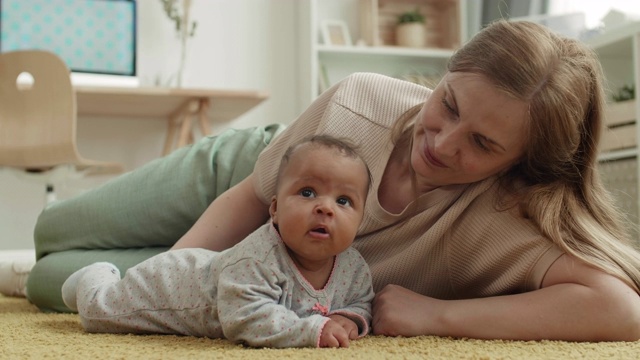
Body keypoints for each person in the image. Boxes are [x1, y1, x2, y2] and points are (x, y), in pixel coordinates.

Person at [14, 19, 640, 341]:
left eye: (482, 143)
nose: (441, 143)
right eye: (447, 104)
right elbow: (252, 198)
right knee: (58, 227)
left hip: (270, 272)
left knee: (54, 275)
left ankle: (19, 272)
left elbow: (620, 309)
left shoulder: (505, 217)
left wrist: (438, 317)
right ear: (445, 72)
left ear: (519, 163)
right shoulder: (362, 97)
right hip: (247, 183)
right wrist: (174, 282)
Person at [60, 135, 374, 348]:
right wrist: (313, 330)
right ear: (275, 209)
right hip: (165, 285)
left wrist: (347, 317)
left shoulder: (353, 267)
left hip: (200, 266)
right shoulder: (259, 257)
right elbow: (245, 318)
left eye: (344, 200)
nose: (325, 207)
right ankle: (97, 273)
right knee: (96, 312)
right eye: (307, 192)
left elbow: (361, 301)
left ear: (360, 221)